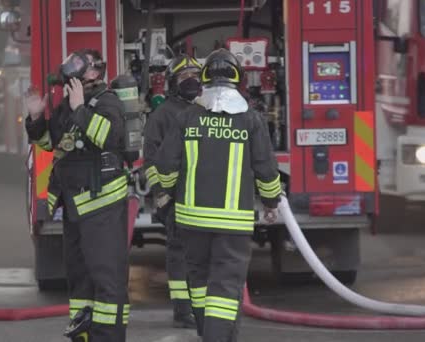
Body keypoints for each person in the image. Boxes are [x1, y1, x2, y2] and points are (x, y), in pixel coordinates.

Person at [155, 48, 283, 342]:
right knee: (224, 289)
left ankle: (206, 333)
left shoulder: (187, 117)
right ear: (237, 79)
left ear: (203, 79)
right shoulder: (251, 121)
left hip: (191, 222)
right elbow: (266, 170)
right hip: (232, 224)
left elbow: (164, 166)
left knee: (199, 283)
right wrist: (271, 202)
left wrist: (172, 190)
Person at [24, 49, 129, 342]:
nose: (71, 69)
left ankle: (108, 337)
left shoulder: (108, 102)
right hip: (75, 207)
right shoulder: (67, 107)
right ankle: (82, 335)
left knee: (106, 279)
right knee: (79, 278)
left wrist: (81, 108)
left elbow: (108, 137)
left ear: (95, 72)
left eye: (80, 65)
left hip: (102, 206)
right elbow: (51, 144)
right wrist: (36, 118)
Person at [143, 54, 202, 329]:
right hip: (175, 196)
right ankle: (182, 310)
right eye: (184, 77)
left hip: (203, 195)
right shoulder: (163, 114)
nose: (192, 81)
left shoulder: (207, 108)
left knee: (203, 255)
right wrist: (160, 192)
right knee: (179, 253)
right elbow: (151, 157)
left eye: (196, 76)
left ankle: (202, 309)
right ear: (172, 83)